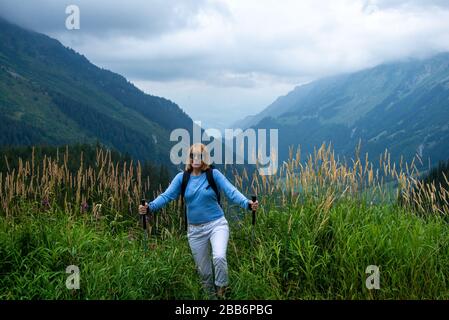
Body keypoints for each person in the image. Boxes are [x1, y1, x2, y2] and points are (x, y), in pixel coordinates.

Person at [139, 143, 258, 299]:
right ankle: (211, 297)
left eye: (200, 155)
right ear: (189, 158)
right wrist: (149, 207)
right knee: (205, 273)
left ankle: (222, 291)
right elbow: (166, 196)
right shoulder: (182, 178)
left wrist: (247, 204)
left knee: (219, 257)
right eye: (192, 155)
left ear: (204, 158)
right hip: (195, 231)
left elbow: (231, 191)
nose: (196, 158)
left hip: (217, 225)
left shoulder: (213, 174)